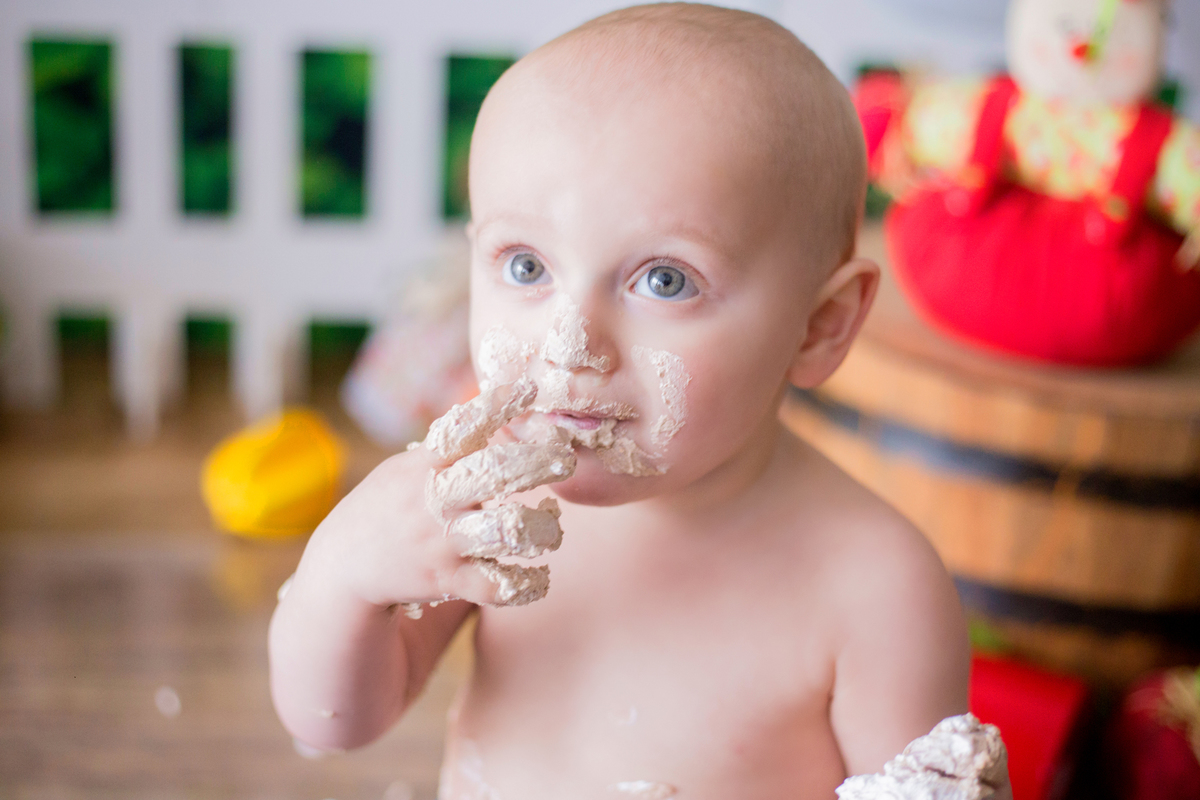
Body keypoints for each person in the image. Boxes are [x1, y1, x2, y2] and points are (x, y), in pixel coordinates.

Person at [269, 5, 1005, 798]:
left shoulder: (874, 586)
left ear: (818, 327)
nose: (571, 343)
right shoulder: (493, 508)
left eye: (665, 280)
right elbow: (335, 722)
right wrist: (340, 578)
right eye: (525, 268)